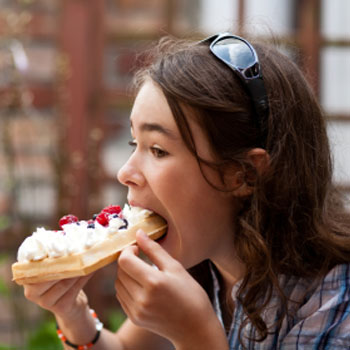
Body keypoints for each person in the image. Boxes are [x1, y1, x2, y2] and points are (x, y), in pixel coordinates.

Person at [22, 32, 350, 350]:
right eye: (134, 143)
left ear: (243, 175)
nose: (125, 173)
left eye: (158, 150)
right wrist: (74, 315)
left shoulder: (334, 306)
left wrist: (195, 333)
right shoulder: (202, 264)